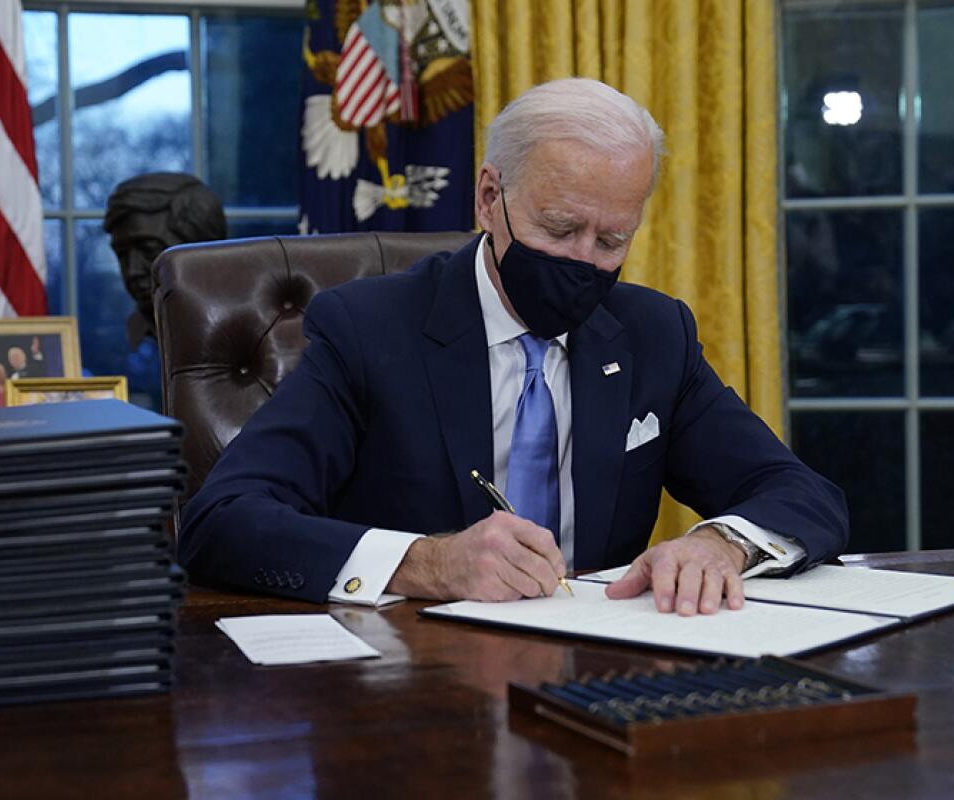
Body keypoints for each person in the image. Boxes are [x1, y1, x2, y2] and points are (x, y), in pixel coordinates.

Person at [179, 78, 848, 616]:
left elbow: (800, 493)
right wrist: (427, 564)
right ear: (490, 197)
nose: (584, 261)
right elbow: (222, 521)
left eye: (611, 240)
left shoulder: (652, 335)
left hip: (600, 673)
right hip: (412, 686)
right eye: (559, 228)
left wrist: (722, 542)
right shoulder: (367, 331)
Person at [102, 172, 227, 347]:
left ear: (203, 252)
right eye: (122, 254)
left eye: (149, 250)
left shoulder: (251, 337)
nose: (132, 271)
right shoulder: (110, 344)